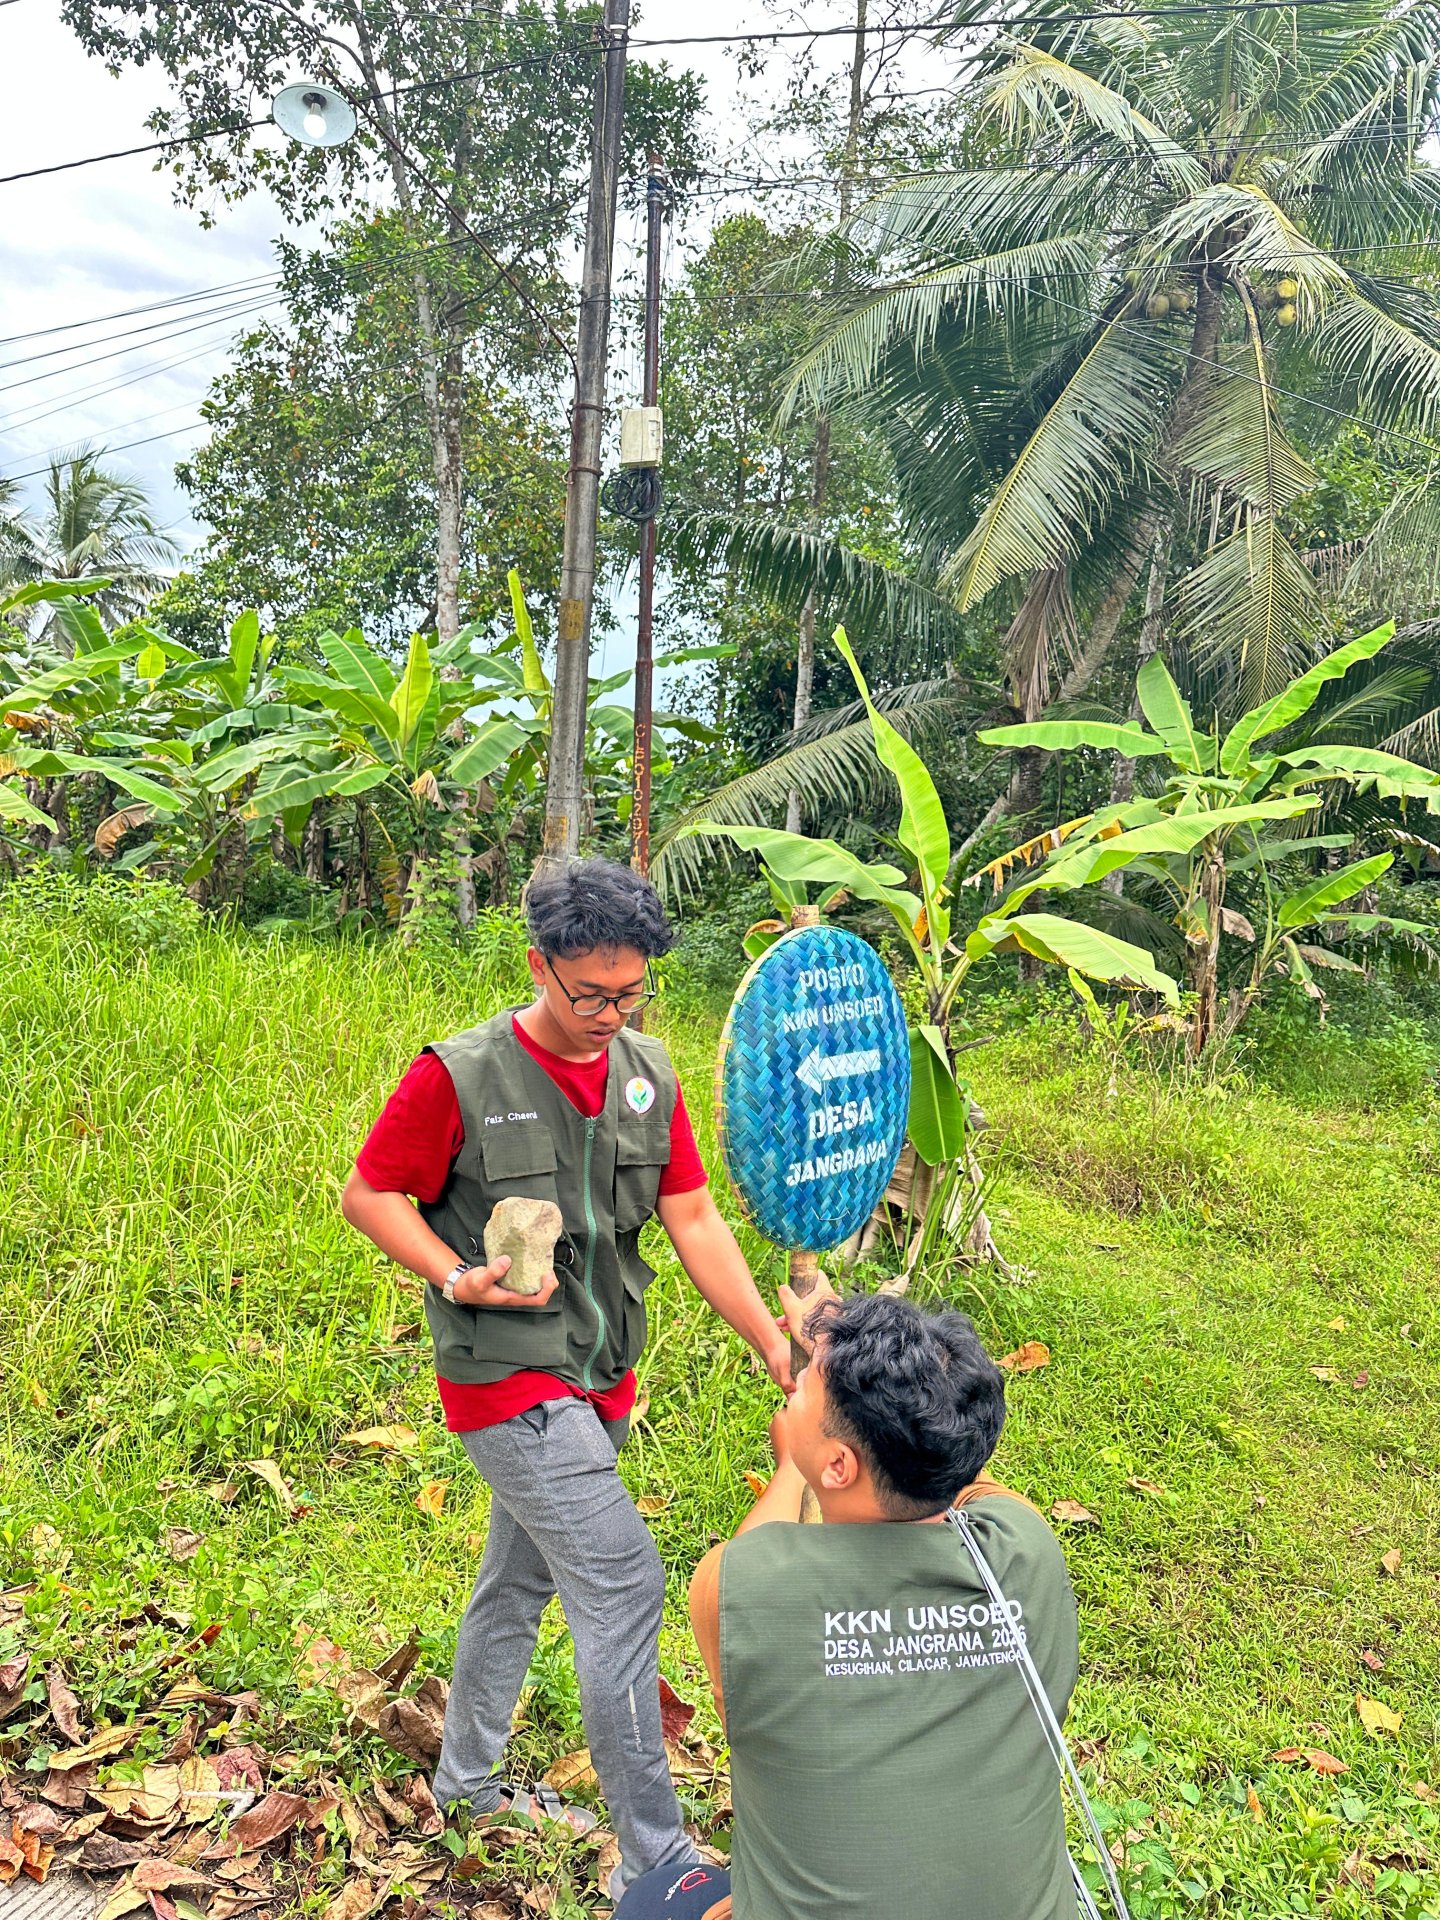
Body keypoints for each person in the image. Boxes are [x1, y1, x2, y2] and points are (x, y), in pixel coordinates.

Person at [342, 858, 794, 1894]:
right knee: (625, 1582)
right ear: (538, 965)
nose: (609, 1014)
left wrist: (769, 1340)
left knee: (519, 1579)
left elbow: (692, 1214)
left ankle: (466, 1787)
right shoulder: (461, 1075)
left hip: (600, 1374)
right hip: (505, 1378)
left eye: (630, 992)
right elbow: (369, 1194)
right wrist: (453, 1274)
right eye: (589, 993)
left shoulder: (646, 1072)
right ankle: (661, 1863)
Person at [622, 1281, 1081, 1920]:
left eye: (806, 1386)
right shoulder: (1028, 1548)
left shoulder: (736, 1590)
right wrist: (876, 1373)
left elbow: (756, 1554)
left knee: (654, 1900)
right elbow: (952, 1465)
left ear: (839, 1466)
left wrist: (793, 1465)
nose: (797, 1387)